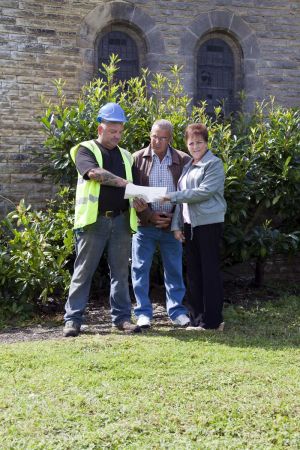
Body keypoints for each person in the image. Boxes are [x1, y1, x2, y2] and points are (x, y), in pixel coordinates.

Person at [63, 102, 140, 337]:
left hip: (121, 221)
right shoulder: (84, 150)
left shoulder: (127, 156)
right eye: (112, 131)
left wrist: (140, 198)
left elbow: (134, 188)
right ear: (100, 129)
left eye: (120, 131)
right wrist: (124, 183)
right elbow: (93, 174)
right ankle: (73, 320)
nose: (117, 136)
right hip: (93, 222)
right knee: (83, 272)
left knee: (120, 272)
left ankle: (122, 319)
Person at [161, 123, 226, 330]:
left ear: (206, 143)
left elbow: (202, 193)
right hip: (190, 226)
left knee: (209, 273)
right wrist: (177, 225)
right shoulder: (188, 166)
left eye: (199, 142)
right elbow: (183, 202)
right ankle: (197, 319)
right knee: (194, 274)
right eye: (191, 143)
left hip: (209, 224)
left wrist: (172, 196)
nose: (195, 146)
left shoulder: (214, 164)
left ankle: (213, 321)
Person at [131, 119, 191, 328]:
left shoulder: (183, 160)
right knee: (140, 269)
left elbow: (186, 195)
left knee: (174, 269)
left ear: (170, 139)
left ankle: (176, 312)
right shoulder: (137, 159)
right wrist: (149, 215)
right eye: (154, 136)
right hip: (145, 225)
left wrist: (173, 220)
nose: (156, 141)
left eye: (162, 138)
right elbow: (131, 194)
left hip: (171, 226)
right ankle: (143, 313)